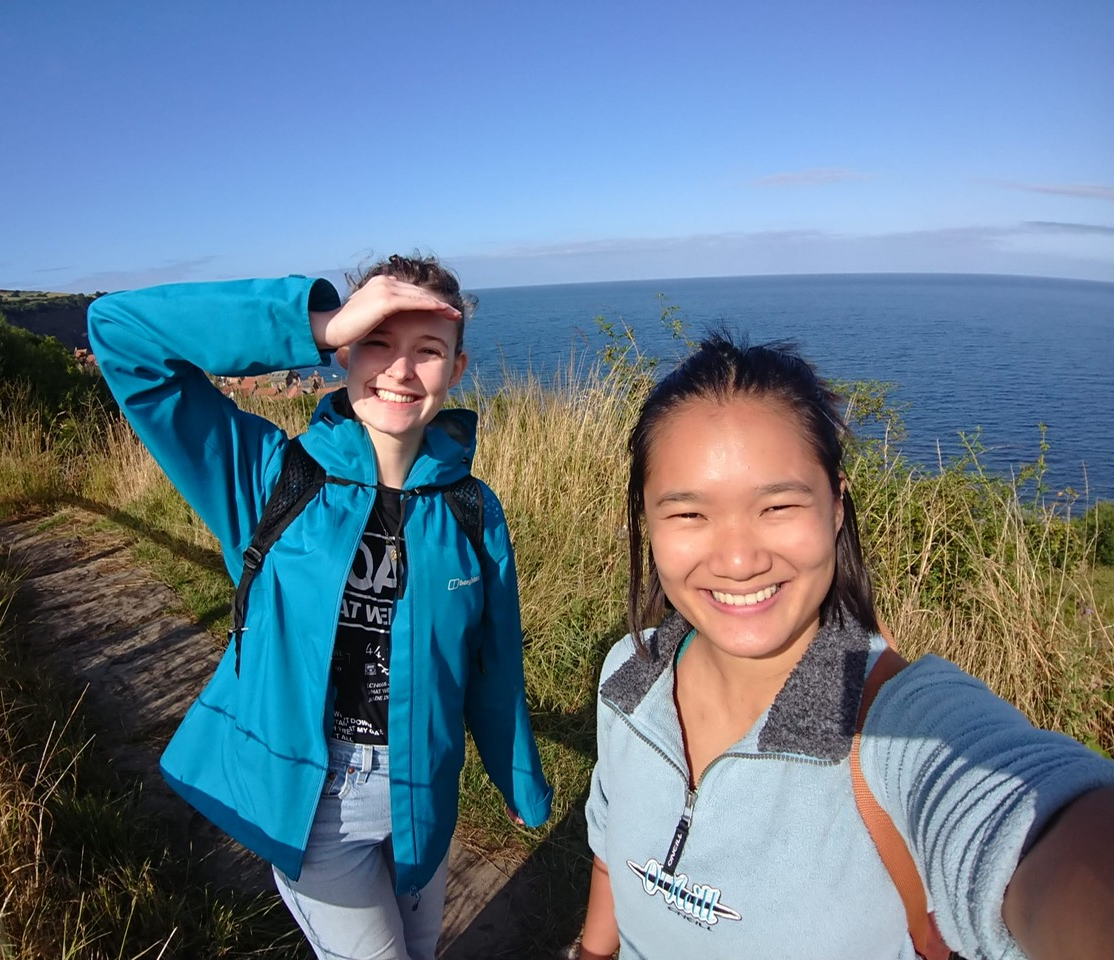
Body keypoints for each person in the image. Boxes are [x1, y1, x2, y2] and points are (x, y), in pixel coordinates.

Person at [579, 332, 1114, 959]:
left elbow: (1030, 820)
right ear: (645, 520)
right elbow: (610, 852)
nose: (739, 559)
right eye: (689, 515)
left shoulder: (895, 728)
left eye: (777, 505)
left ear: (835, 505)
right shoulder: (630, 676)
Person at [87, 254, 553, 960]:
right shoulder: (272, 477)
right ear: (344, 352)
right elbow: (118, 332)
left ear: (456, 371)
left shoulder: (471, 510)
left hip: (424, 791)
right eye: (376, 341)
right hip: (316, 805)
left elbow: (494, 664)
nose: (399, 370)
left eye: (428, 351)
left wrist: (519, 781)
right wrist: (318, 320)